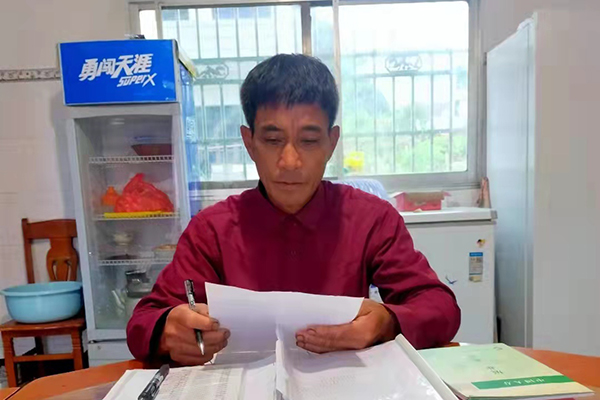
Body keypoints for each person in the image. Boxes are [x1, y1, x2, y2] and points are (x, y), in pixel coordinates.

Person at [127, 54, 460, 365]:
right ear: (249, 143)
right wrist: (167, 331)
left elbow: (439, 306)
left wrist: (387, 321)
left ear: (331, 143)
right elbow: (144, 321)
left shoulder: (371, 218)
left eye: (309, 141)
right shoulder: (211, 230)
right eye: (273, 140)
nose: (289, 161)